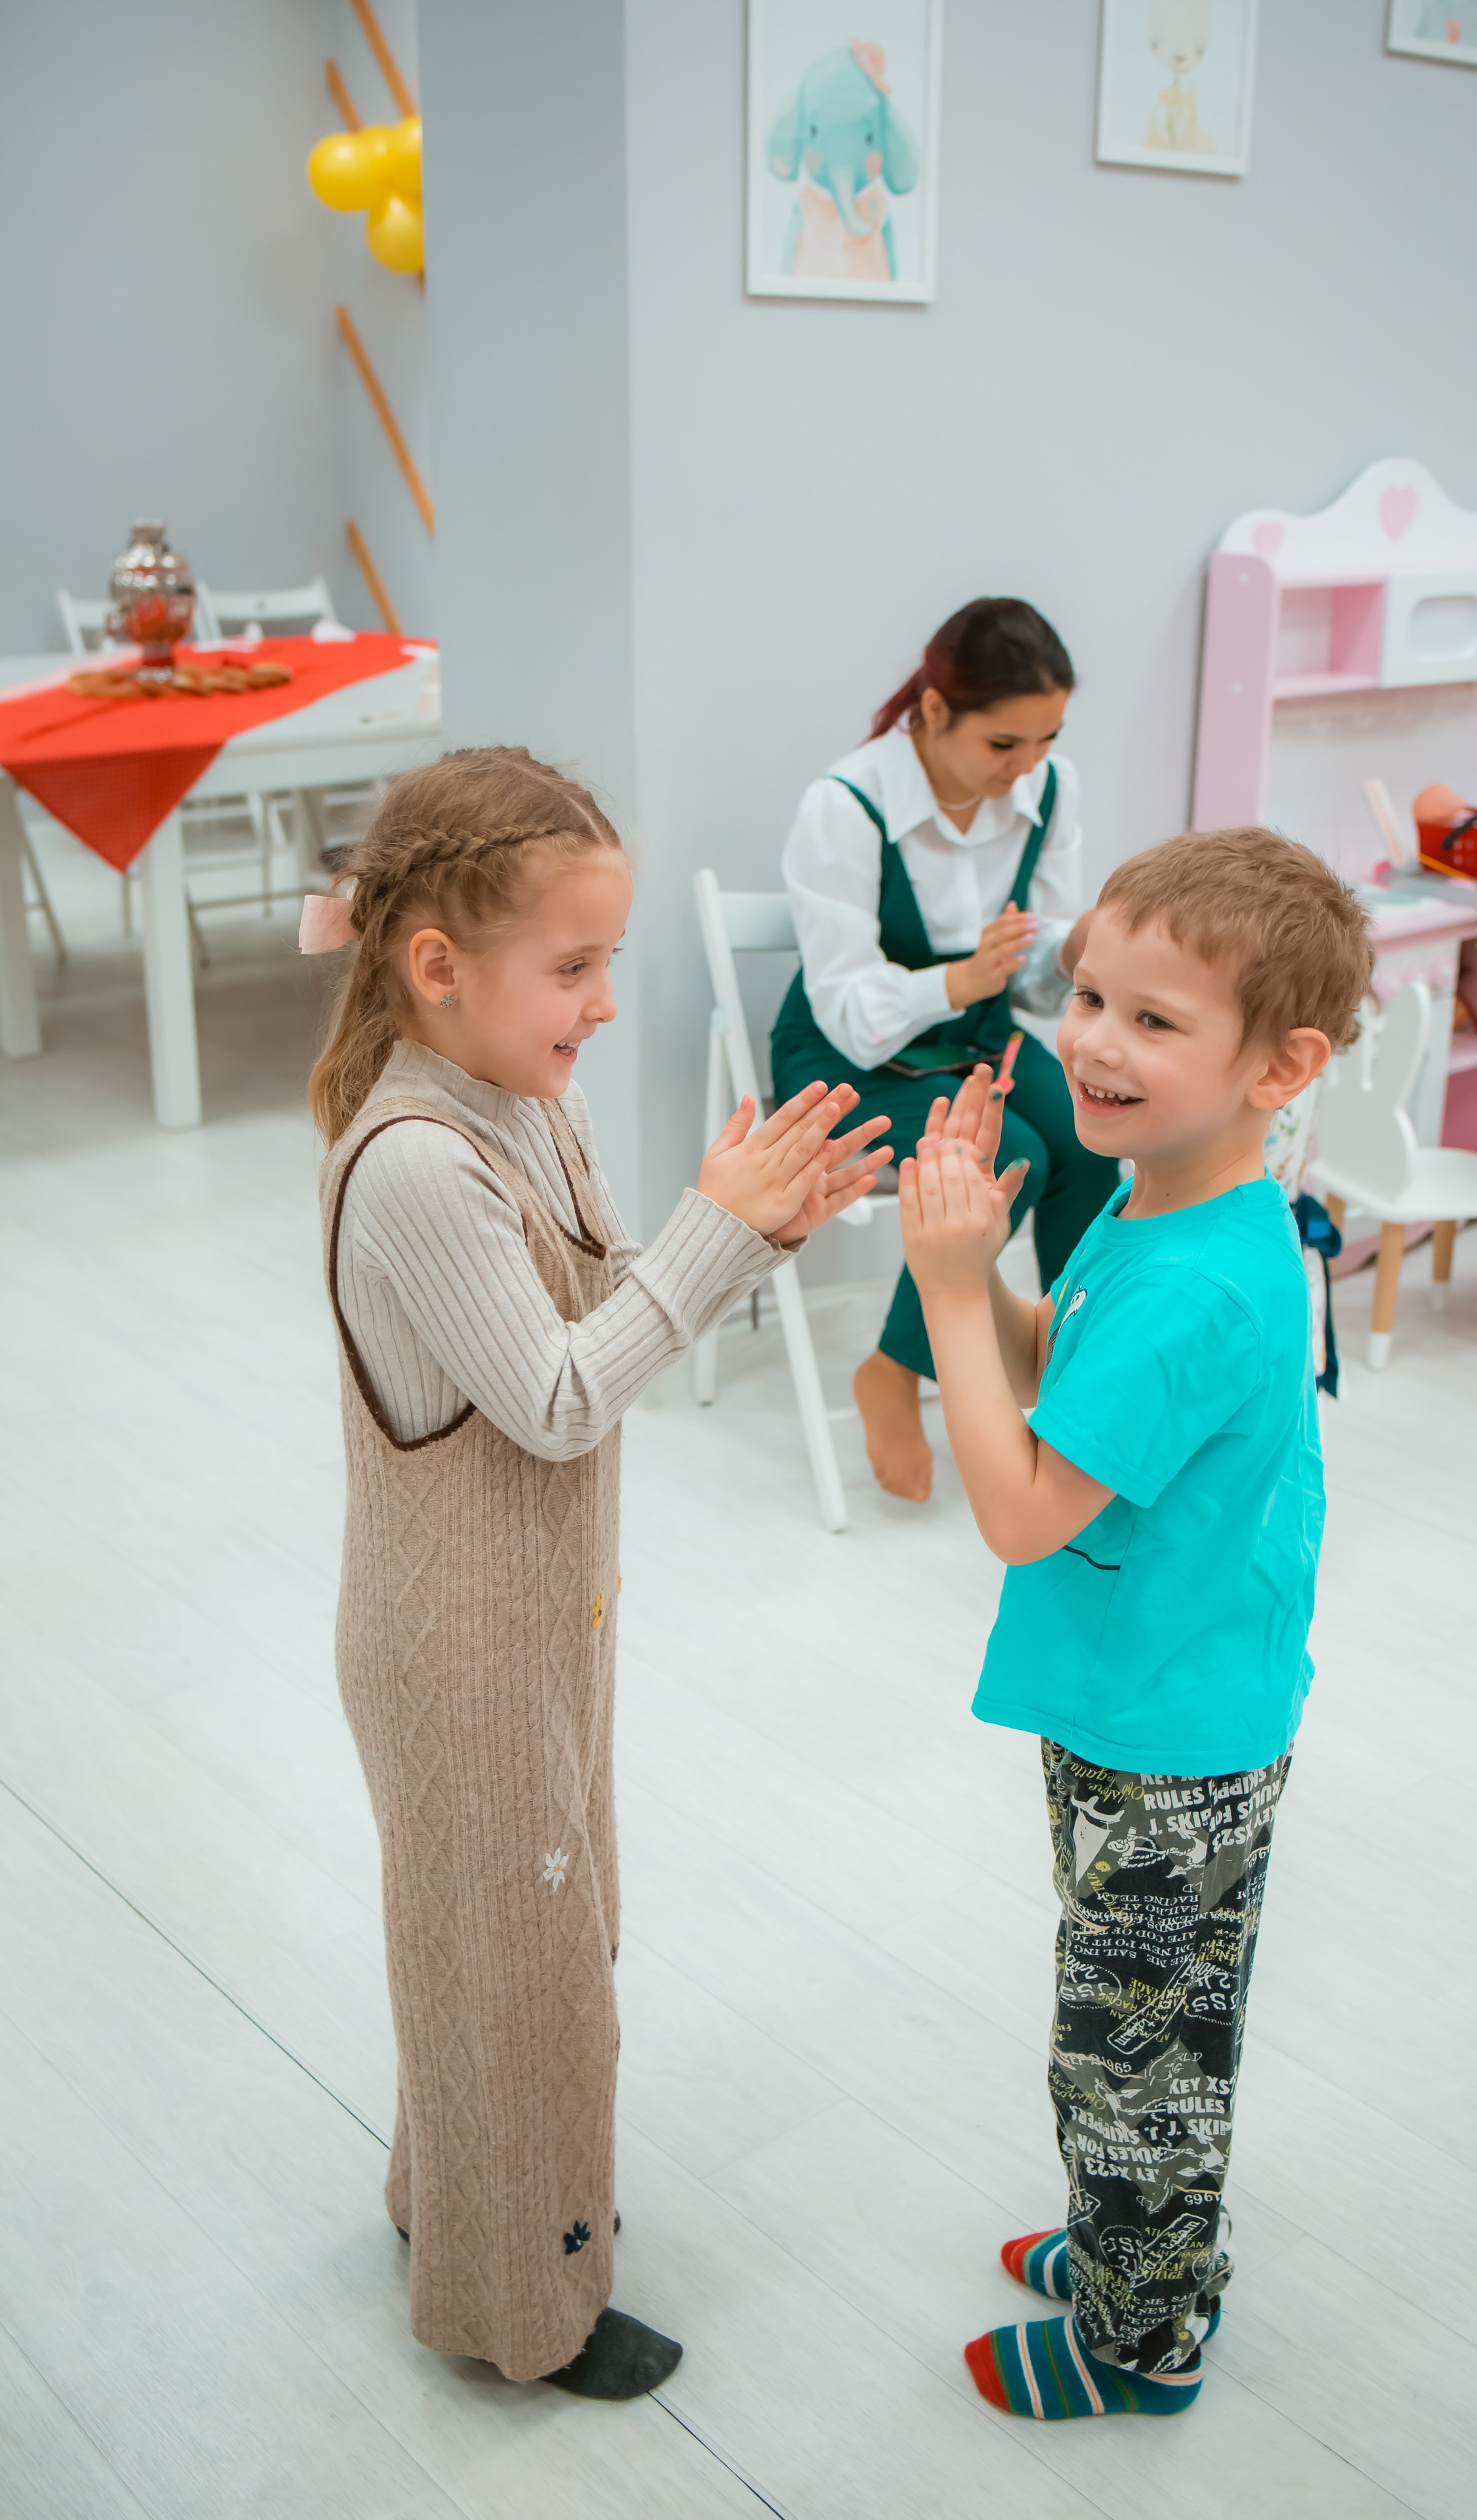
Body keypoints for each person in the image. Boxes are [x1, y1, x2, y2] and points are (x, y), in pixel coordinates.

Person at [303, 748, 889, 2400]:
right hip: (456, 1652)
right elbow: (561, 1399)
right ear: (438, 969)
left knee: (504, 1959)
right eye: (574, 968)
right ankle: (522, 2308)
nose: (605, 1004)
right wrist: (716, 1235)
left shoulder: (522, 1105)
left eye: (608, 962)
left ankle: (463, 2203)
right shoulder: (417, 1160)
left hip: (533, 1628)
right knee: (521, 1985)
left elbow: (608, 1291)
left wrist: (750, 1224)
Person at [896, 828, 1371, 2418]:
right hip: (1141, 1701)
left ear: (1276, 1066)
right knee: (1131, 2031)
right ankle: (1134, 2250)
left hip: (1173, 1740)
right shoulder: (1160, 1194)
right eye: (1087, 995)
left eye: (1155, 1023)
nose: (1091, 1041)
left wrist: (950, 1300)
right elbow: (1073, 1379)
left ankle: (1140, 2338)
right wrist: (980, 1263)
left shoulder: (1197, 1280)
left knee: (1134, 2070)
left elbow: (1025, 1507)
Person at [771, 596, 1117, 1503]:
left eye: (1047, 740)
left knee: (1094, 1139)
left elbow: (1035, 978)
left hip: (976, 1043)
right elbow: (846, 1010)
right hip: (850, 1061)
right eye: (1005, 745)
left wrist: (1069, 961)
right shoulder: (845, 807)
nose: (1029, 767)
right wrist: (959, 982)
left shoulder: (1049, 789)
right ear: (934, 712)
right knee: (1010, 1155)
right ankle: (895, 1367)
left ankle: (1070, 1375)